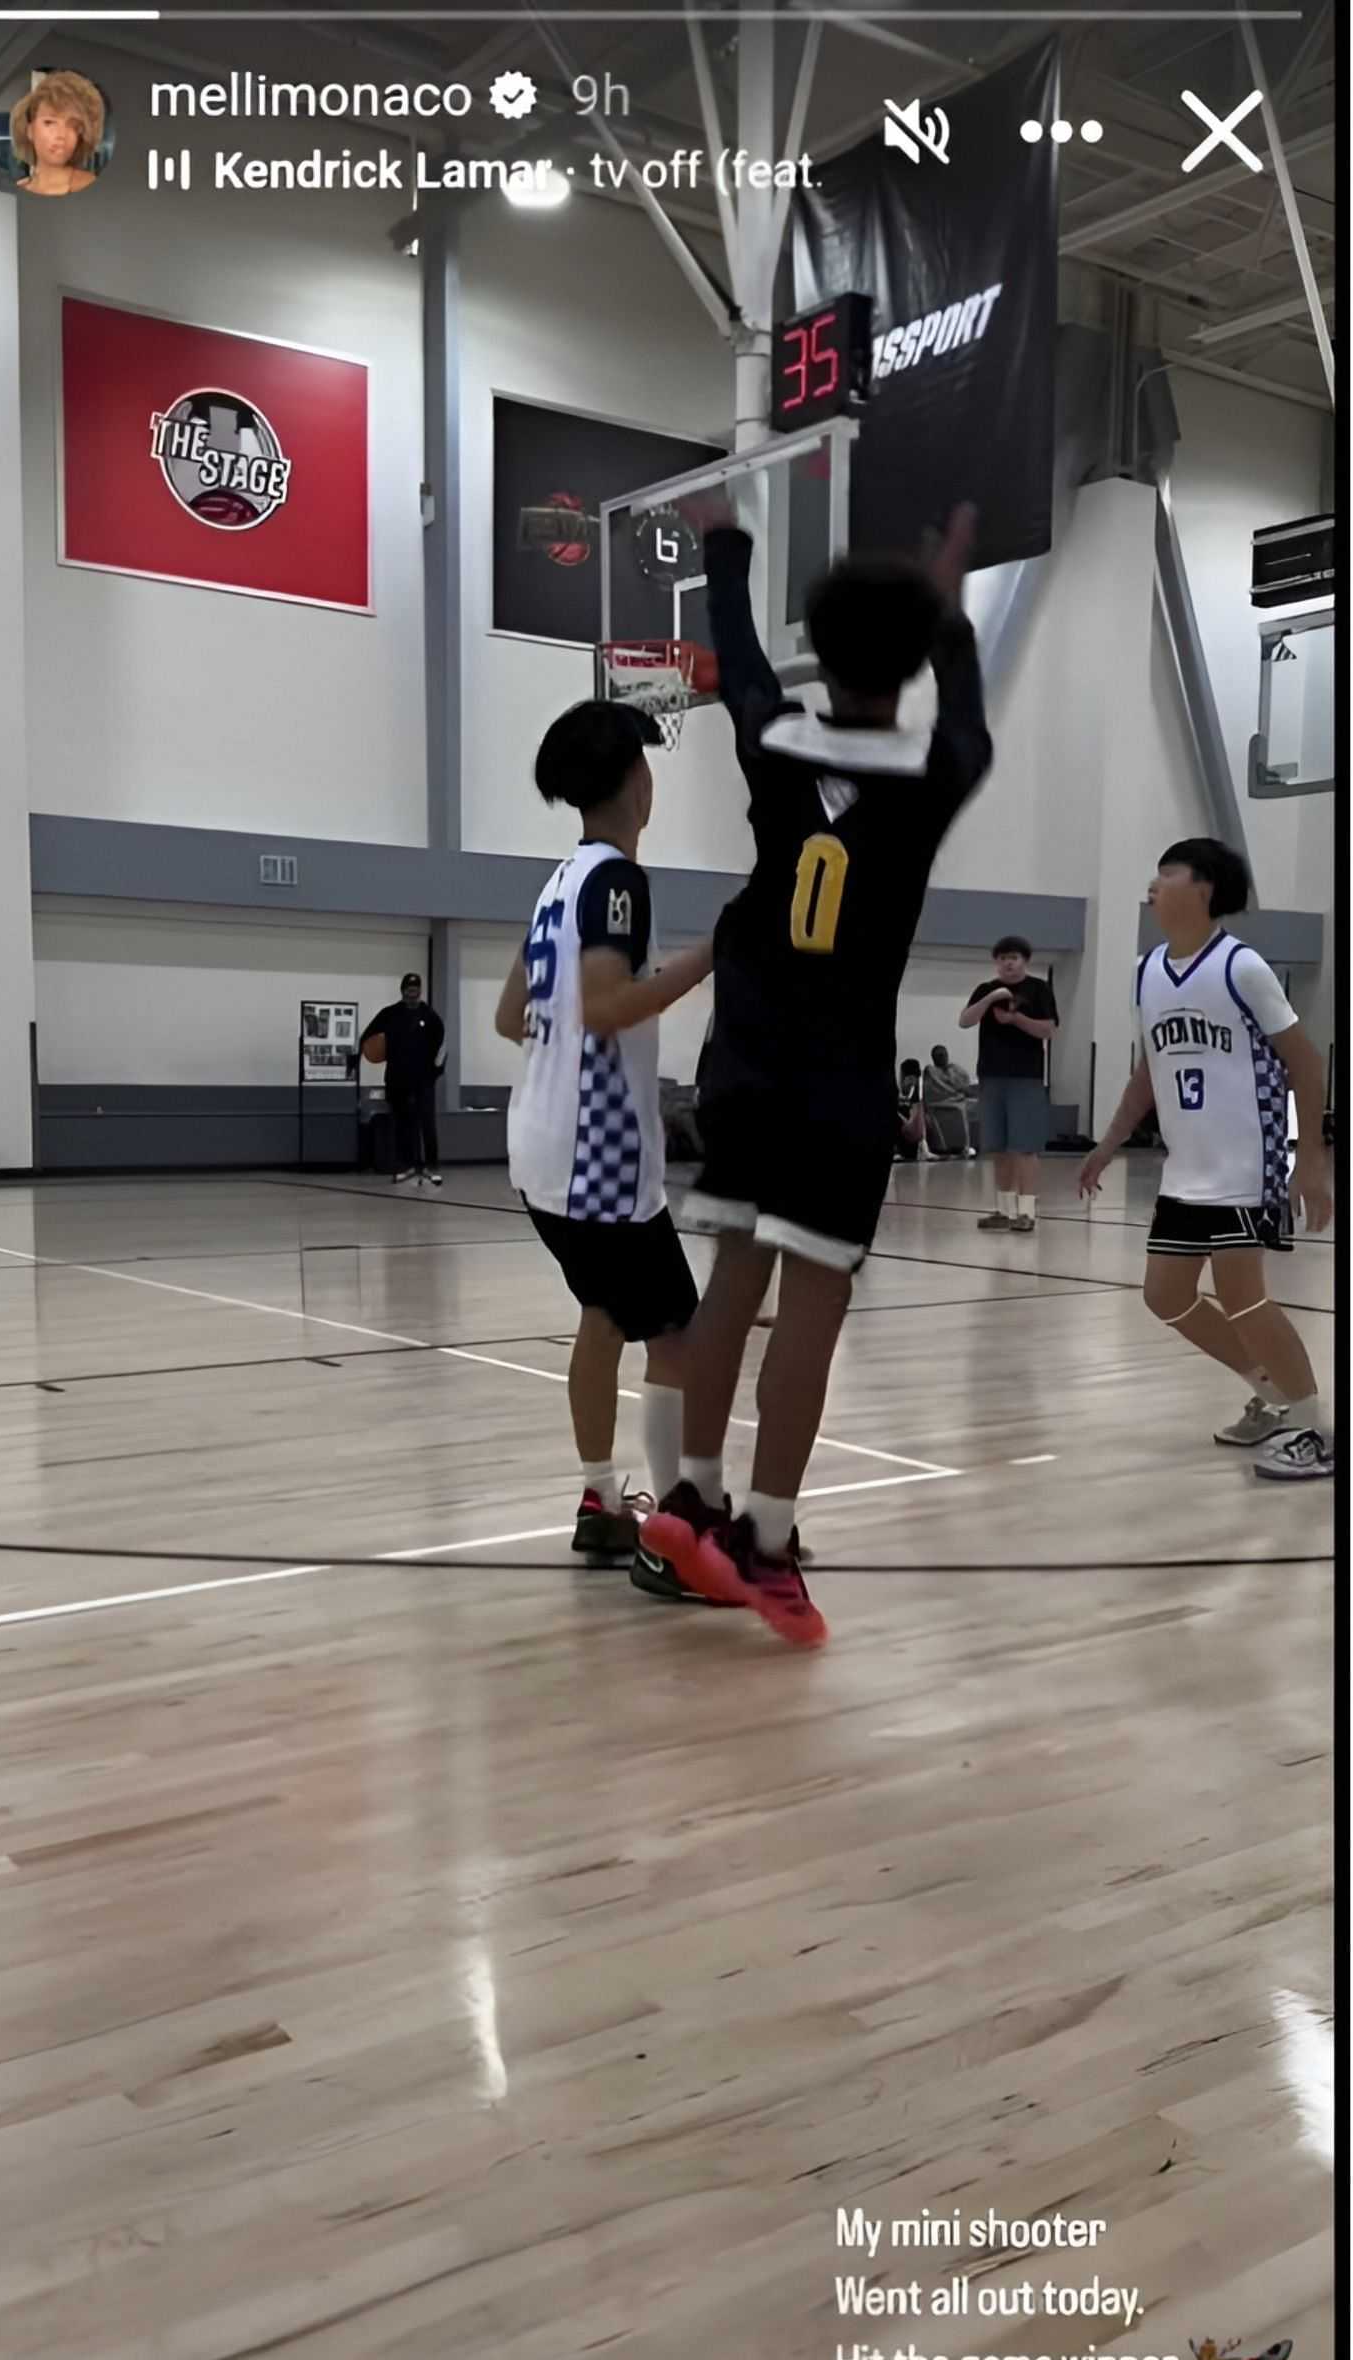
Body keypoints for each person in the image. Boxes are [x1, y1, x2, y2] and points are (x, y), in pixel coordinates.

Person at [641, 500, 991, 1646]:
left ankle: (691, 1496)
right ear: (914, 659)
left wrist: (725, 548)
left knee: (731, 1283)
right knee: (814, 1308)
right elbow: (966, 708)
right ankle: (767, 1537)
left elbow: (741, 661)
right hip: (840, 1079)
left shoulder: (774, 740)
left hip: (744, 1059)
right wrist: (948, 608)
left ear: (823, 656)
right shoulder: (939, 766)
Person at [496, 699, 714, 1573]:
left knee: (605, 1314)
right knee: (678, 1338)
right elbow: (608, 1006)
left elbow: (511, 1015)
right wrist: (710, 956)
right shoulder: (619, 882)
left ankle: (603, 1499)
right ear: (635, 779)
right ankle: (679, 1534)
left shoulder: (558, 883)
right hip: (600, 1160)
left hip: (538, 1150)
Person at [1079, 838, 1334, 1481]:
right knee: (1165, 1296)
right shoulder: (1145, 972)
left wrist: (1310, 1161)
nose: (1152, 885)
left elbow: (1306, 1063)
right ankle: (1273, 1396)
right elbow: (1147, 1073)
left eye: (1167, 873)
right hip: (1187, 1169)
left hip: (1246, 1161)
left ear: (1205, 888)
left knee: (1243, 1298)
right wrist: (1106, 1145)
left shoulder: (1242, 967)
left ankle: (1321, 1431)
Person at [960, 936, 1058, 1230]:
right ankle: (1004, 1210)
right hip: (991, 1076)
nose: (1008, 963)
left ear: (1025, 960)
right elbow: (965, 1020)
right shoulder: (986, 989)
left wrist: (1015, 1020)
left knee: (1025, 1147)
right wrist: (990, 999)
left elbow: (1048, 1029)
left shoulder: (1039, 989)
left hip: (1025, 1077)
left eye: (1013, 958)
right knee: (998, 1148)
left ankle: (1026, 1212)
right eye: (1002, 958)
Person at [362, 973, 445, 1184]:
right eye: (409, 989)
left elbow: (441, 1047)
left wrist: (435, 1072)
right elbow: (368, 1035)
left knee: (427, 1123)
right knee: (402, 1124)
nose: (412, 993)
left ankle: (431, 1166)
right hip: (397, 1079)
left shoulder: (430, 1016)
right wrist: (357, 1056)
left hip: (423, 1080)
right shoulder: (390, 1014)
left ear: (420, 991)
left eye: (415, 989)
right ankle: (406, 1165)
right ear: (403, 991)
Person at [11, 73, 104, 196]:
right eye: (49, 122)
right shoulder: (19, 188)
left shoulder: (89, 185)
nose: (61, 135)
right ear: (30, 130)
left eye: (73, 126)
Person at [923, 1043, 977, 1156]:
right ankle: (961, 1147)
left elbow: (964, 1086)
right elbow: (929, 1092)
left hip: (948, 1103)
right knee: (968, 1108)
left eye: (943, 1055)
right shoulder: (930, 1072)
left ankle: (962, 1146)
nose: (942, 1058)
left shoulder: (954, 1069)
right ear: (933, 1058)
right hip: (945, 1104)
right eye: (939, 1055)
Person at [896, 1058, 927, 1162]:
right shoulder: (921, 1082)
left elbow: (909, 1100)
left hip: (913, 1125)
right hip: (919, 1122)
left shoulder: (912, 1082)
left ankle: (901, 1151)